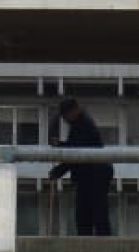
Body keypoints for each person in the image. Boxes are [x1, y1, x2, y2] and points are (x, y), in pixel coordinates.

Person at [48, 96, 114, 236]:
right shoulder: (79, 124)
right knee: (85, 214)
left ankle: (102, 243)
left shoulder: (84, 125)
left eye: (66, 115)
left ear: (74, 111)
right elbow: (75, 149)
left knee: (96, 213)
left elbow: (76, 153)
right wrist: (59, 145)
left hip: (95, 174)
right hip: (88, 175)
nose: (65, 119)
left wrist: (58, 170)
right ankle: (89, 242)